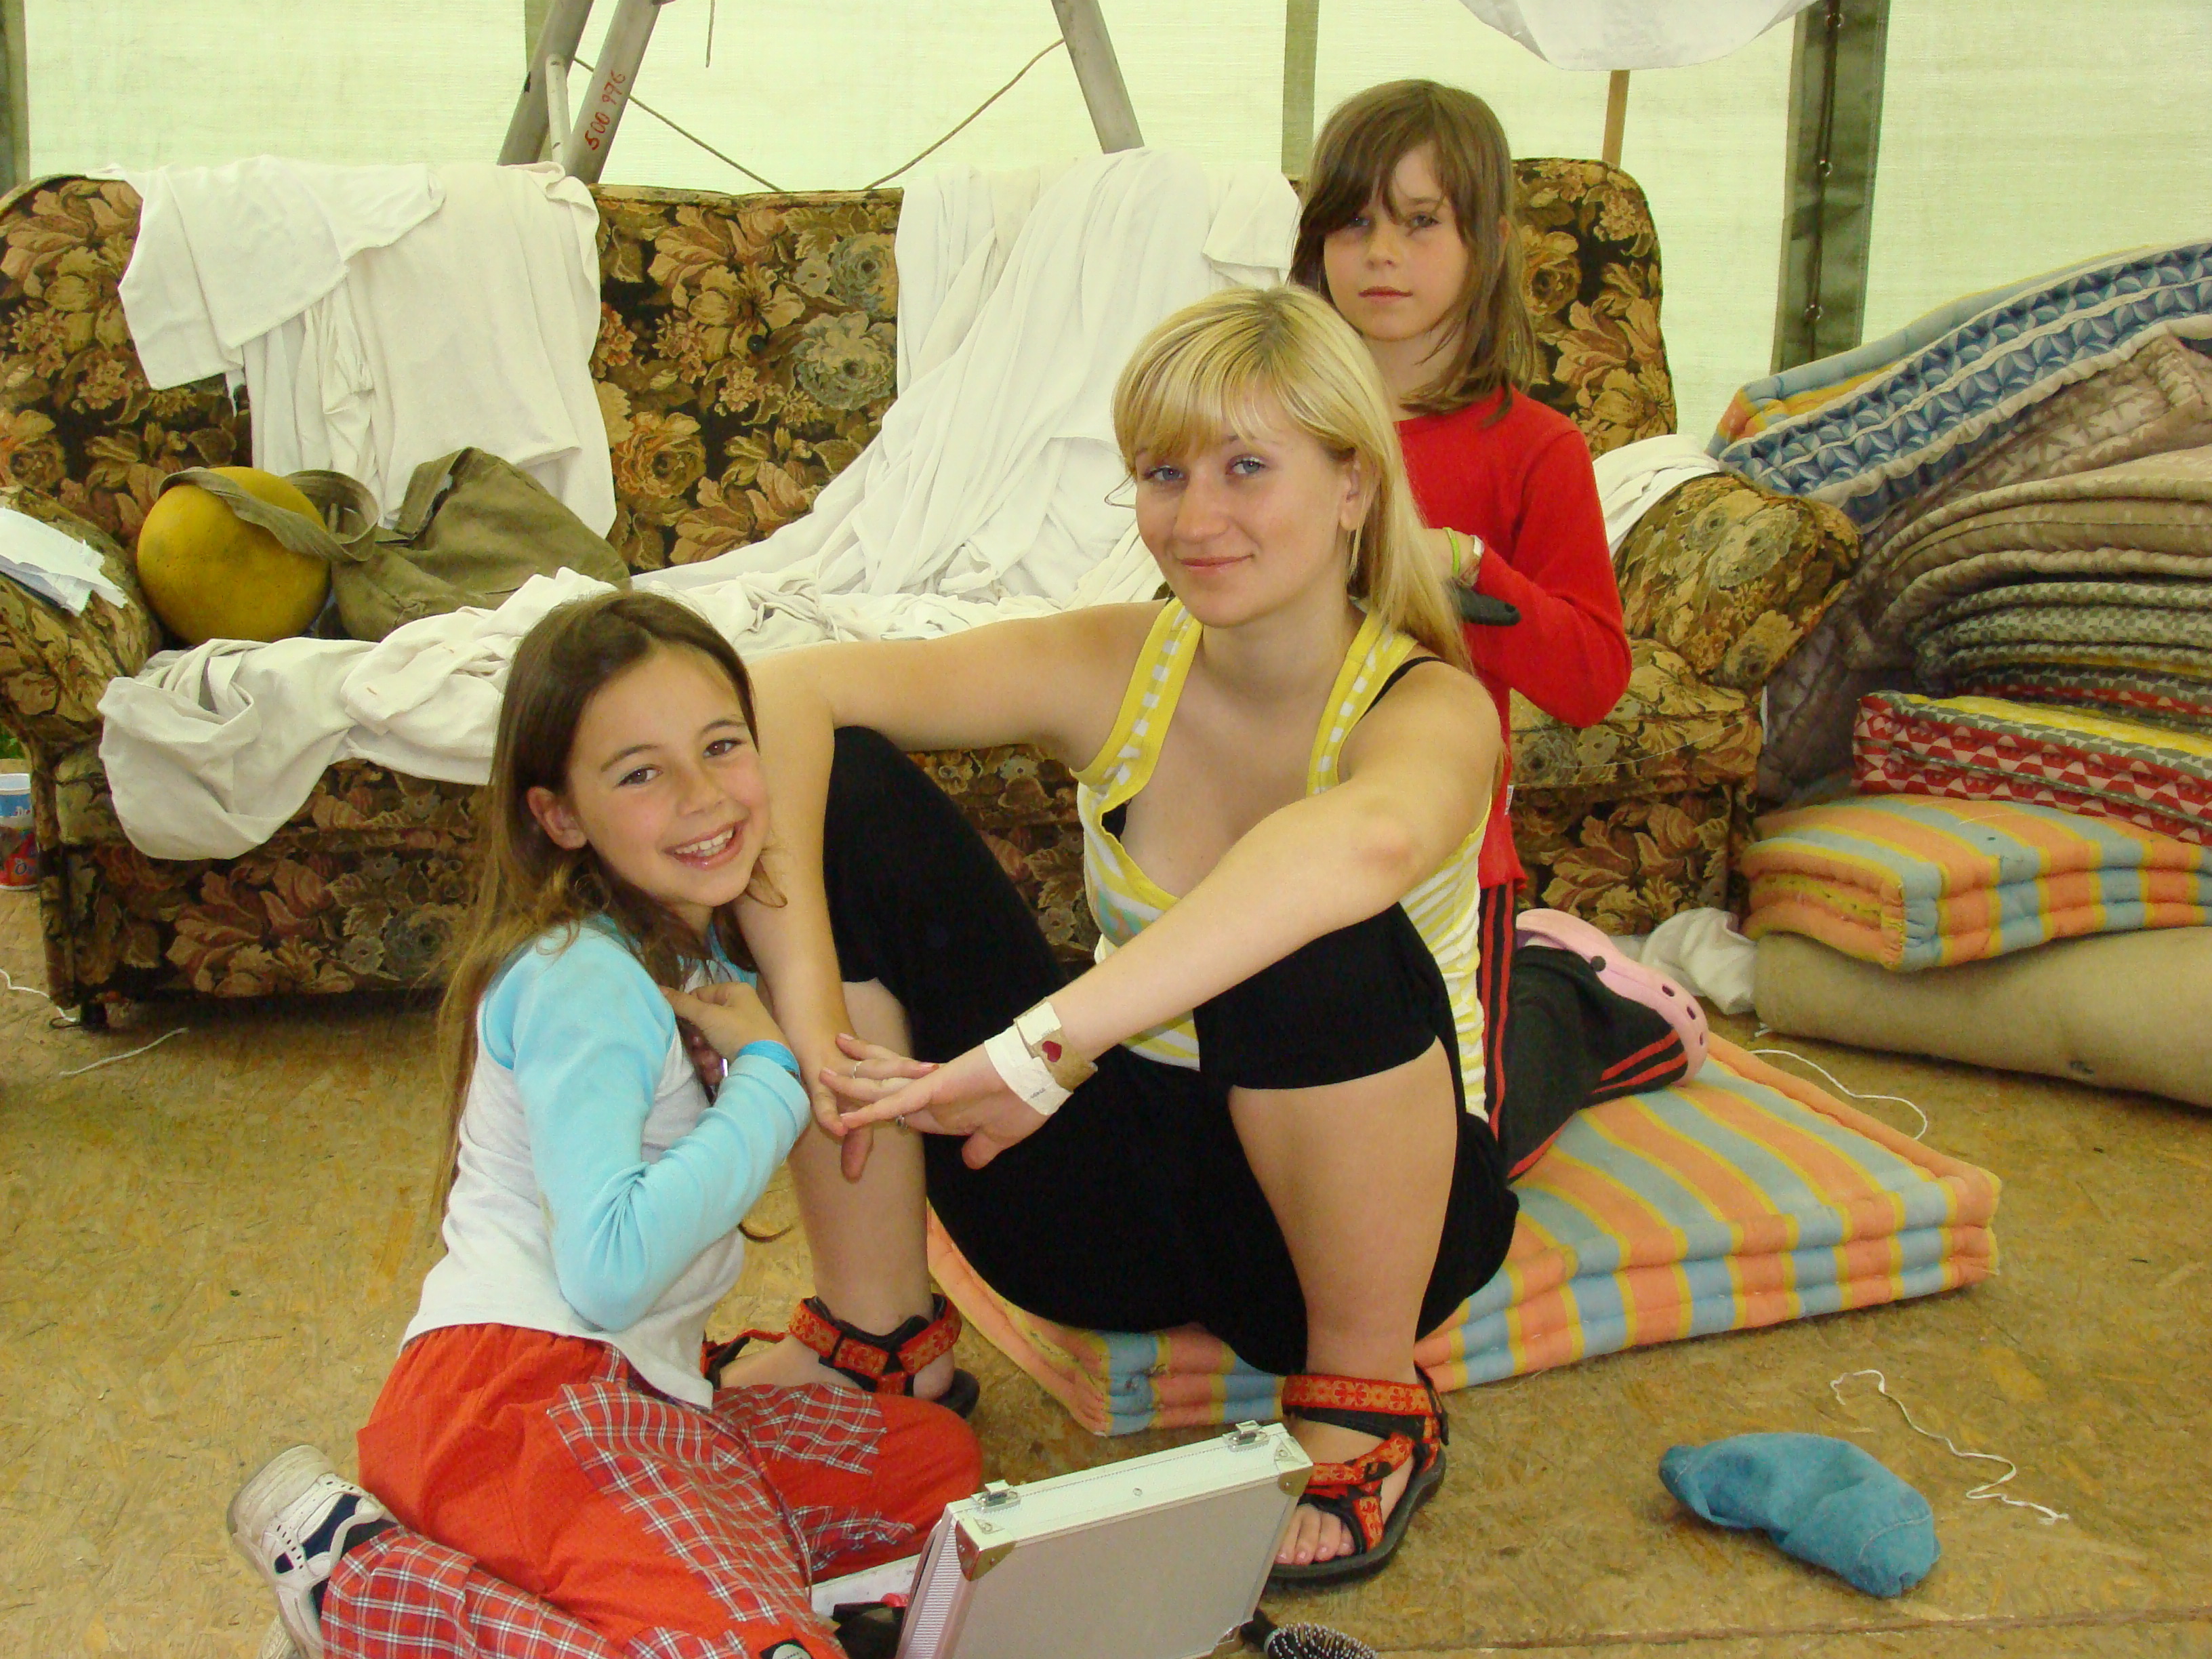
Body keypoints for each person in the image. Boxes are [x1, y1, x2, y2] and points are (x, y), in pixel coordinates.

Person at [703, 283, 1512, 1586]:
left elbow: (1359, 847)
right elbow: (783, 692)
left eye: (1248, 467)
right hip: (1114, 1205)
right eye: (1163, 473)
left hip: (1352, 1236)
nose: (1196, 518)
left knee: (1309, 915)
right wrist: (808, 1017)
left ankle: (1369, 1408)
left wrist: (1043, 1047)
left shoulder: (1429, 705)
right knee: (839, 784)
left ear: (1354, 485)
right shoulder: (1120, 662)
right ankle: (879, 1334)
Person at [223, 592, 980, 1659]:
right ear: (561, 816)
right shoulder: (581, 977)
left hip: (640, 1395)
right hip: (515, 1408)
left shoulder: (679, 959)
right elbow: (610, 1270)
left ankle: (646, 1599)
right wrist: (767, 1079)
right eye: (639, 773)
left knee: (931, 1468)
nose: (703, 795)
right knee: (759, 1649)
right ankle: (364, 1584)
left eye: (722, 745)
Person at [1294, 79, 1707, 1171]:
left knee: (1457, 1168)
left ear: (1490, 243)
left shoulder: (1536, 448)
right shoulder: (1269, 421)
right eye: (1354, 220)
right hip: (1280, 836)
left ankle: (1587, 1001)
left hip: (1447, 858)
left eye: (1421, 220)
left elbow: (1593, 679)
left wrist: (1471, 569)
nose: (1383, 252)